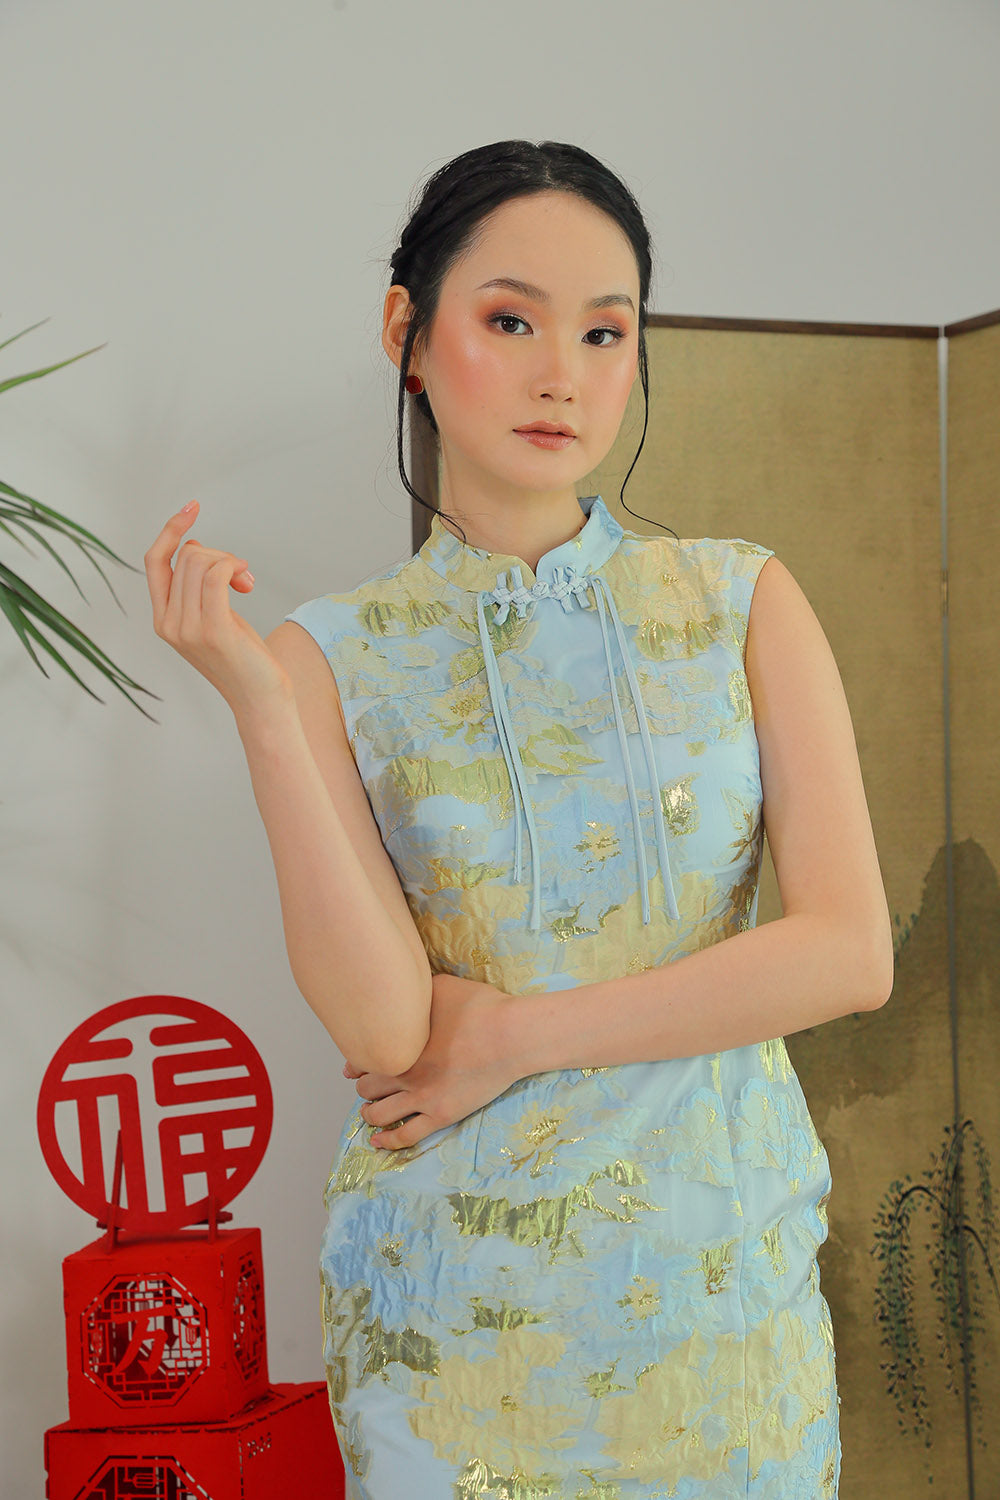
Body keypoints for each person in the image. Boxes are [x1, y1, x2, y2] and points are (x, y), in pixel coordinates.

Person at [145, 140, 893, 1499]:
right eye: (510, 321)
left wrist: (515, 1037)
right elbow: (385, 1035)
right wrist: (259, 709)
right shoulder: (329, 655)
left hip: (723, 1322)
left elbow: (849, 953)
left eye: (605, 333)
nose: (563, 375)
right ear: (406, 334)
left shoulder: (739, 601)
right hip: (448, 1336)